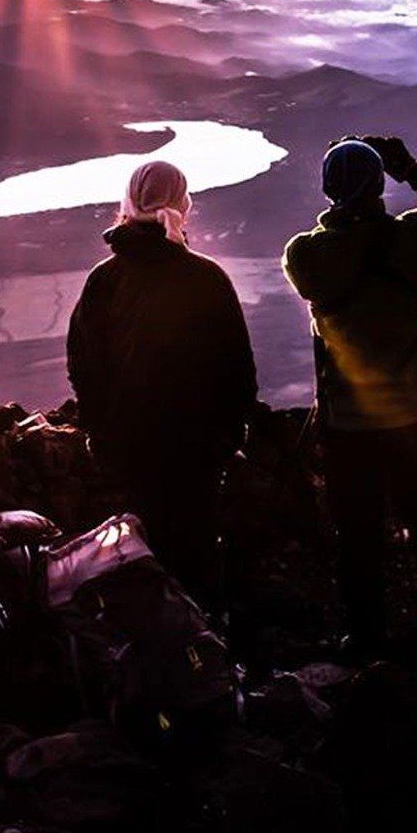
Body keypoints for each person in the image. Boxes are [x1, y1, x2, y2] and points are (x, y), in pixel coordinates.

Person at [282, 135, 417, 668]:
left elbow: (326, 250)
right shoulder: (415, 239)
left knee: (359, 535)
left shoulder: (307, 256)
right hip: (414, 416)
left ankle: (369, 642)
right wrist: (409, 168)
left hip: (348, 425)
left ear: (327, 191)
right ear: (378, 187)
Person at [67, 160, 257, 606]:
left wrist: (102, 434)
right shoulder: (206, 278)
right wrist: (228, 437)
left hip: (130, 448)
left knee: (142, 551)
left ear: (128, 205)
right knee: (196, 553)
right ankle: (205, 651)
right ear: (182, 205)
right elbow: (237, 371)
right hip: (198, 450)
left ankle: (154, 654)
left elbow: (84, 367)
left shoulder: (105, 280)